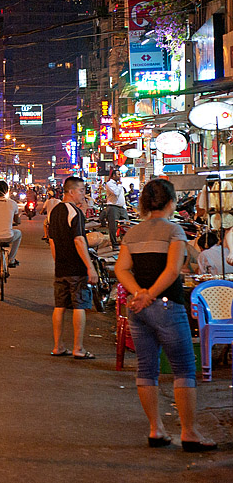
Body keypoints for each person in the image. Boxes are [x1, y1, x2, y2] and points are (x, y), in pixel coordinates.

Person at [114, 178, 216, 451]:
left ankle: (155, 429)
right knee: (184, 369)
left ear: (144, 204)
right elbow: (172, 271)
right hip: (168, 306)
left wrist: (139, 294)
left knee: (147, 369)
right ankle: (189, 433)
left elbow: (121, 270)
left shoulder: (132, 234)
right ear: (171, 202)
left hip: (138, 310)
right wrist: (152, 295)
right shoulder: (174, 232)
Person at [47, 176, 97, 359]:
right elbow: (79, 240)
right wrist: (90, 267)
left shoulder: (54, 211)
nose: (83, 194)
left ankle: (57, 346)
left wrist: (58, 261)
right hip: (76, 268)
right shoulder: (74, 212)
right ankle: (78, 348)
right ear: (71, 191)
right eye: (81, 190)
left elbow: (52, 241)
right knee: (79, 306)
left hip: (60, 268)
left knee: (59, 306)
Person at [104, 169, 129, 248]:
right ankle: (114, 244)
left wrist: (124, 206)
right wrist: (119, 185)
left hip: (122, 207)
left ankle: (125, 243)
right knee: (113, 227)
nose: (120, 176)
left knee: (126, 225)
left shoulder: (119, 185)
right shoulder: (110, 184)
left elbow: (122, 196)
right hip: (113, 207)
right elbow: (116, 193)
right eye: (118, 174)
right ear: (114, 176)